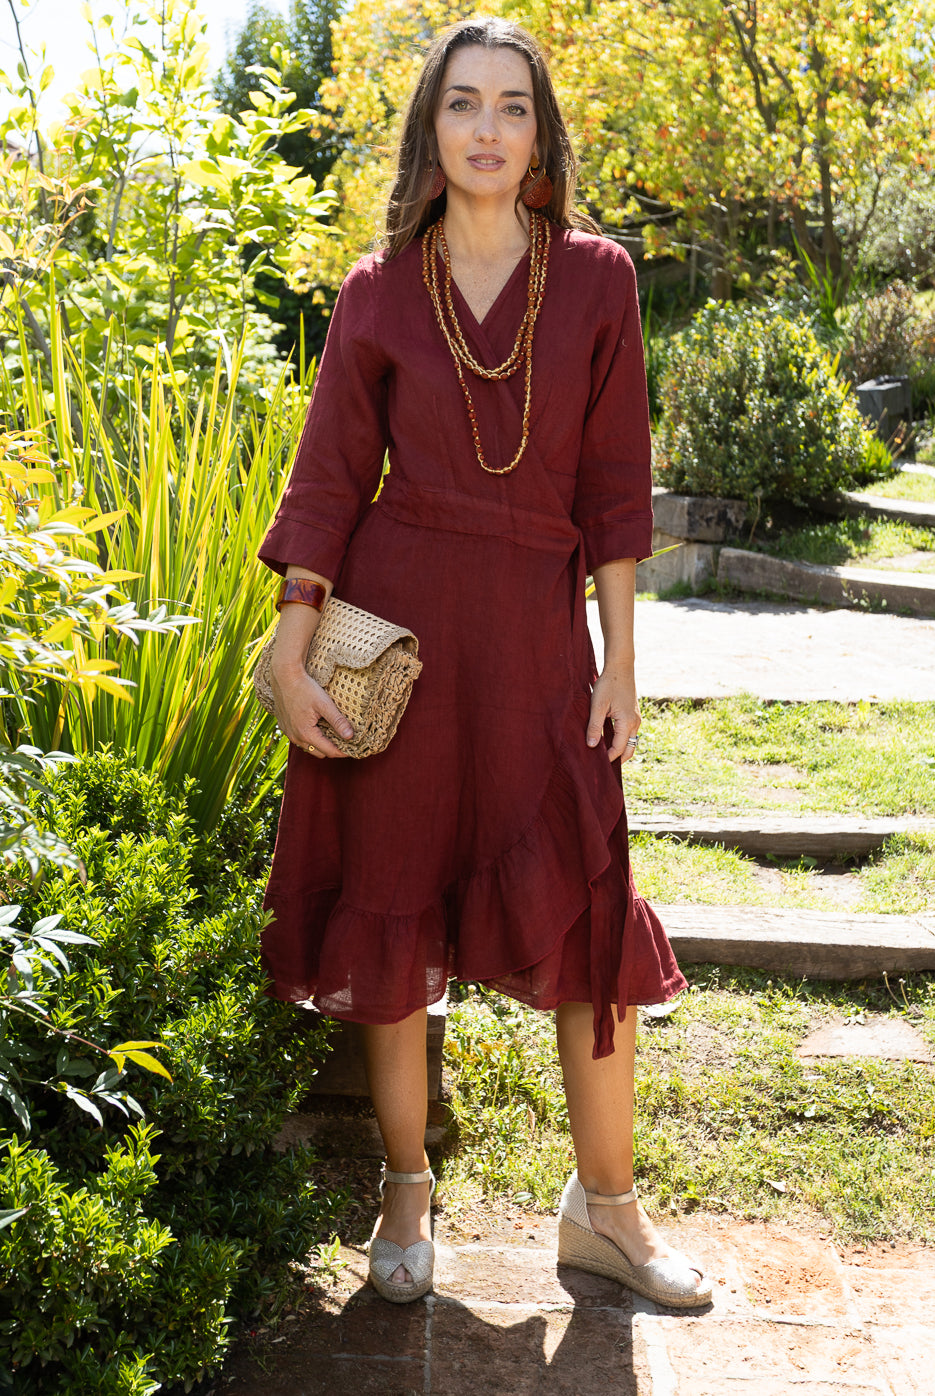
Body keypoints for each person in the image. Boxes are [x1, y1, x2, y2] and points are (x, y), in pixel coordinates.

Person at [259, 15, 711, 1311]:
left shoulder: (600, 281)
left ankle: (607, 1212)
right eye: (463, 103)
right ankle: (408, 1189)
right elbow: (331, 478)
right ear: (432, 127)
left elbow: (615, 489)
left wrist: (620, 662)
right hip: (404, 641)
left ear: (541, 133)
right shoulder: (376, 290)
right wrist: (293, 643)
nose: (488, 128)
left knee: (588, 904)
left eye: (514, 106)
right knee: (394, 901)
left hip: (535, 641)